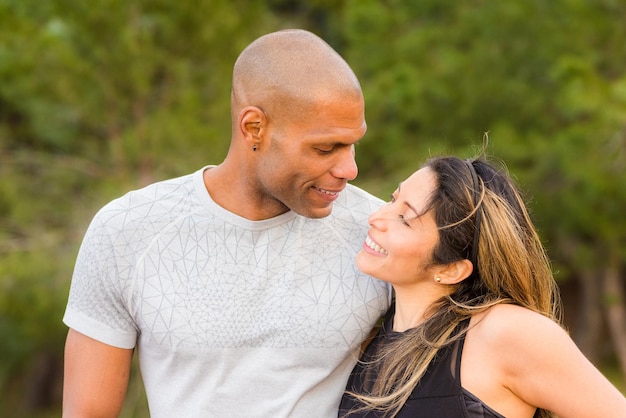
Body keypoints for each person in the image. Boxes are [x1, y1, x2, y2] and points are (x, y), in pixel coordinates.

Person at [62, 29, 391, 418]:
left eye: (353, 143)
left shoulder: (381, 236)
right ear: (254, 128)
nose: (349, 168)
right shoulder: (127, 230)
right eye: (325, 148)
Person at [339, 155, 626, 418]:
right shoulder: (370, 340)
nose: (376, 217)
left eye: (405, 220)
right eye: (392, 199)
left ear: (451, 269)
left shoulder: (505, 333)